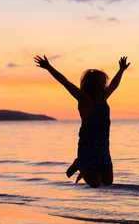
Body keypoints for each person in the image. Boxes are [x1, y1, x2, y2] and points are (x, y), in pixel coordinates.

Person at [34, 55, 130, 187]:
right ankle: (80, 164)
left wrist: (121, 70)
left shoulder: (104, 98)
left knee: (108, 182)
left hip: (103, 145)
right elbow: (65, 83)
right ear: (92, 85)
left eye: (104, 82)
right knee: (95, 184)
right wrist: (49, 67)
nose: (103, 84)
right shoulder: (84, 99)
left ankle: (82, 165)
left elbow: (114, 85)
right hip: (88, 145)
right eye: (100, 82)